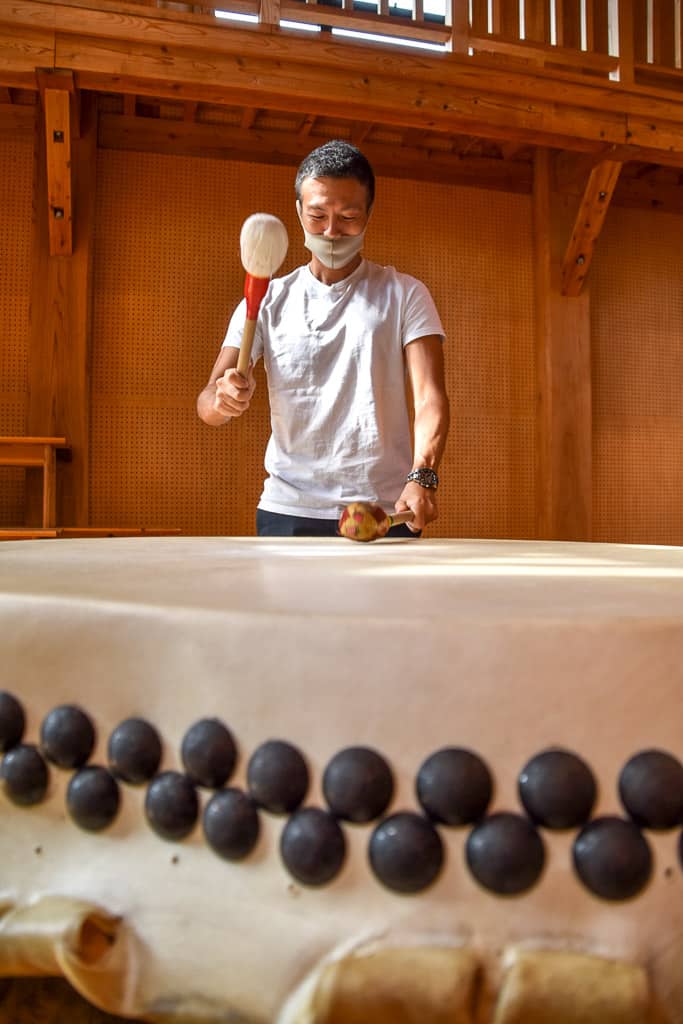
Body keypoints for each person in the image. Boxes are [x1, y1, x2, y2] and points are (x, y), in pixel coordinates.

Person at [197, 140, 449, 538]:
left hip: (382, 510)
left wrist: (423, 476)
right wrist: (222, 397)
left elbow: (429, 398)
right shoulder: (268, 299)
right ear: (298, 211)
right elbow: (208, 405)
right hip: (287, 509)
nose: (331, 231)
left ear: (368, 215)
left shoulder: (405, 294)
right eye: (317, 215)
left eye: (348, 216)